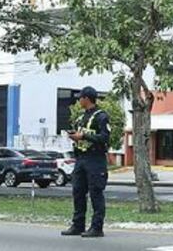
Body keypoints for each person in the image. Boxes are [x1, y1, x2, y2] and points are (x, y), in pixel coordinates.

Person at [61, 86, 110, 238]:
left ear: (86, 98)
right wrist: (74, 136)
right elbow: (80, 134)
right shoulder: (81, 117)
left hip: (95, 160)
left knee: (96, 193)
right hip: (81, 158)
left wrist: (83, 137)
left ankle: (97, 227)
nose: (78, 101)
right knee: (78, 192)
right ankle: (78, 225)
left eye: (80, 98)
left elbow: (104, 138)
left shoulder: (101, 116)